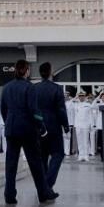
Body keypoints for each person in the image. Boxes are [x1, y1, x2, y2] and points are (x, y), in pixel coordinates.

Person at [1, 59, 53, 206]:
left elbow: (3, 110)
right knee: (36, 164)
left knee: (11, 165)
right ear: (27, 71)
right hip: (28, 130)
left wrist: (9, 122)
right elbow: (34, 110)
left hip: (11, 129)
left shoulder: (7, 87)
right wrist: (41, 126)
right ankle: (43, 193)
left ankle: (9, 195)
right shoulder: (29, 87)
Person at [35, 61, 70, 192]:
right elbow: (61, 109)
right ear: (50, 72)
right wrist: (65, 125)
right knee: (58, 154)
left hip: (39, 127)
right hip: (54, 126)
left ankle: (44, 184)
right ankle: (48, 183)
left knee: (43, 156)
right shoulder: (57, 88)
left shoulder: (34, 88)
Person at [91, 91, 104, 161]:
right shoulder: (99, 104)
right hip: (100, 127)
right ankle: (102, 157)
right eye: (102, 97)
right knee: (101, 143)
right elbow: (92, 106)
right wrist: (97, 98)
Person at [74, 91, 92, 161]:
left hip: (86, 125)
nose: (81, 97)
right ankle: (81, 155)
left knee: (86, 141)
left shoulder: (88, 104)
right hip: (78, 125)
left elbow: (90, 115)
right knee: (79, 141)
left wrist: (90, 124)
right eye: (80, 96)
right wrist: (75, 124)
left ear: (85, 97)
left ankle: (86, 155)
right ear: (78, 97)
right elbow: (75, 116)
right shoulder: (76, 105)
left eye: (82, 96)